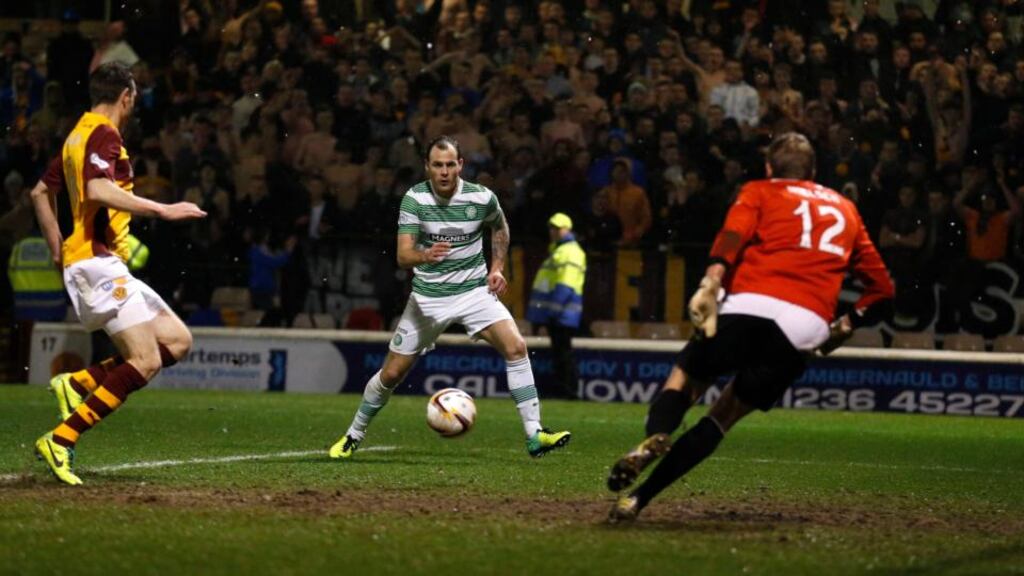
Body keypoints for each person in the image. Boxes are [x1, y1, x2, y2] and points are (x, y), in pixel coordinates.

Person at [606, 133, 894, 522]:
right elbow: (883, 290)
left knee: (685, 380)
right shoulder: (846, 209)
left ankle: (654, 437)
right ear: (813, 172)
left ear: (771, 169)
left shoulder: (760, 190)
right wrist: (848, 321)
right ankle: (639, 499)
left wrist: (712, 277)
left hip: (750, 303)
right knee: (723, 416)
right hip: (805, 325)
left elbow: (733, 235)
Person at [329, 136, 571, 459]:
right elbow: (403, 256)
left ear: (461, 165)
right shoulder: (414, 199)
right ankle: (353, 435)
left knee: (516, 347)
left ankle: (535, 434)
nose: (444, 172)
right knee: (391, 374)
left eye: (450, 164)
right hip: (428, 300)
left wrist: (497, 267)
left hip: (474, 292)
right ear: (427, 167)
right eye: (437, 165)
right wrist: (425, 255)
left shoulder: (481, 197)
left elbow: (500, 228)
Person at [31, 62, 206, 485]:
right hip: (96, 263)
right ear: (126, 96)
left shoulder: (77, 134)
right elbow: (96, 189)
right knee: (144, 361)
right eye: (133, 98)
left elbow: (39, 192)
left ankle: (79, 383)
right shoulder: (103, 134)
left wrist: (58, 248)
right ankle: (62, 439)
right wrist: (163, 209)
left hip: (96, 261)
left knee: (177, 341)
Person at [526, 213, 586, 399]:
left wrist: (553, 310)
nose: (553, 232)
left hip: (562, 312)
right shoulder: (561, 250)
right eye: (552, 228)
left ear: (567, 229)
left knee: (563, 354)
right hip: (561, 311)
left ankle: (568, 391)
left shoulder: (569, 251)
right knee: (561, 353)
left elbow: (566, 284)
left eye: (557, 228)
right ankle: (567, 390)